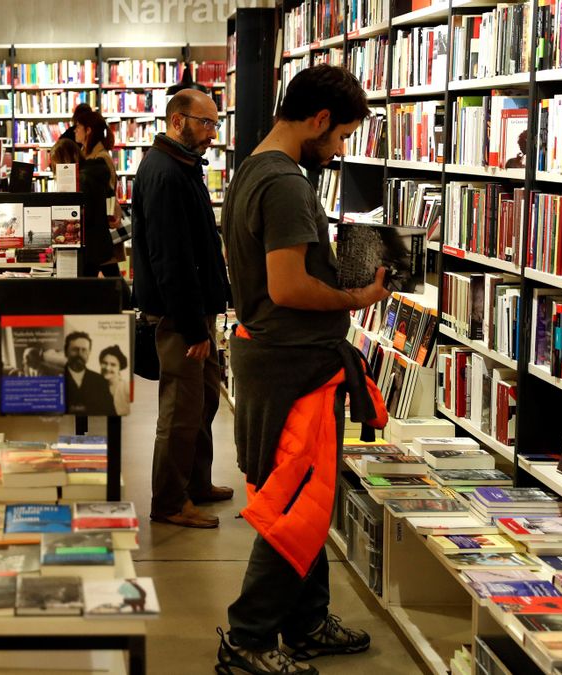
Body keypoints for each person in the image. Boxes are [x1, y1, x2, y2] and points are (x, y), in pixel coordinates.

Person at [215, 65, 390, 675]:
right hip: (293, 365)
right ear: (317, 120)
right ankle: (248, 639)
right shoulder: (286, 183)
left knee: (308, 498)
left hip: (280, 359)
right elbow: (287, 287)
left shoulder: (252, 169)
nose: (340, 149)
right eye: (340, 136)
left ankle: (306, 621)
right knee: (292, 504)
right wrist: (356, 298)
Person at [131, 89, 231, 529]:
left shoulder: (184, 167)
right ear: (177, 121)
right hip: (178, 319)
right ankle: (169, 501)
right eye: (206, 123)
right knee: (180, 409)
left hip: (197, 313)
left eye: (215, 124)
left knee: (206, 398)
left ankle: (196, 482)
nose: (212, 133)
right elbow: (170, 260)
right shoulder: (166, 173)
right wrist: (193, 328)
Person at [73, 108, 118, 277]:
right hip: (96, 228)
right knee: (104, 271)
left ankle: (127, 302)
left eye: (78, 127)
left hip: (100, 225)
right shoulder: (88, 154)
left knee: (106, 272)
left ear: (88, 130)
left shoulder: (100, 158)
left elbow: (108, 192)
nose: (75, 131)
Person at [64, 332, 116, 416]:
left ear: (89, 353)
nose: (80, 354)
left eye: (84, 350)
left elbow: (111, 414)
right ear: (66, 351)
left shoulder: (101, 381)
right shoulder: (55, 378)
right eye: (75, 349)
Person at [98, 344, 132, 416]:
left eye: (113, 365)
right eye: (104, 363)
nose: (107, 368)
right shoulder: (95, 386)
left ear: (119, 368)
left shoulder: (126, 387)